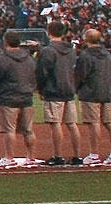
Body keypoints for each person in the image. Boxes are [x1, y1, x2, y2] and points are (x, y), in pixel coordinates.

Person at [36, 18, 80, 166]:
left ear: (49, 32)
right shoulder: (71, 50)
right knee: (72, 124)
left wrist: (40, 89)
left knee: (56, 124)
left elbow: (42, 72)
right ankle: (77, 156)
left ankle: (58, 155)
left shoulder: (48, 51)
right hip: (69, 89)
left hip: (54, 89)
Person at [0, 29, 38, 162]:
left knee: (9, 130)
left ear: (6, 42)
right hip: (26, 97)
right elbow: (34, 76)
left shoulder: (3, 60)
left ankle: (9, 157)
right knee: (28, 130)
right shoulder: (29, 59)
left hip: (8, 98)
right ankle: (31, 157)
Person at [75, 27, 110, 163]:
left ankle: (94, 154)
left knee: (94, 123)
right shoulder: (107, 54)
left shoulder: (86, 56)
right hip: (107, 91)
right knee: (108, 122)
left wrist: (76, 88)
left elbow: (80, 75)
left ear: (86, 40)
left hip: (90, 92)